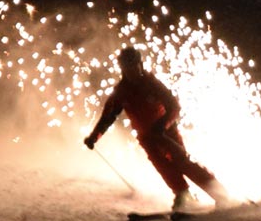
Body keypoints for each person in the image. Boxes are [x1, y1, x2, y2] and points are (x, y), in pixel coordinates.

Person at [83, 46, 233, 210]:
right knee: (162, 165)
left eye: (134, 66)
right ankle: (182, 193)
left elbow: (174, 106)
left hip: (165, 132)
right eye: (127, 68)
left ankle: (220, 194)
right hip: (147, 136)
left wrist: (163, 125)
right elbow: (108, 117)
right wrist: (94, 137)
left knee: (182, 161)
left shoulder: (151, 83)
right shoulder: (121, 92)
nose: (132, 71)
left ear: (140, 64)